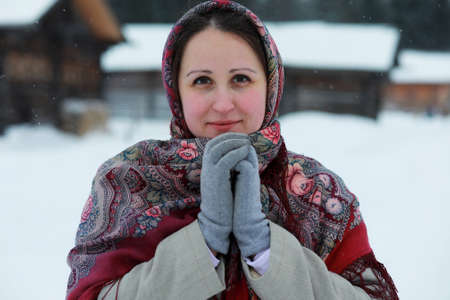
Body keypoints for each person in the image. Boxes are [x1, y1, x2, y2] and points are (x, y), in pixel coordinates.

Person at [66, 1, 398, 299]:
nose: (223, 104)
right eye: (202, 81)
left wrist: (268, 251)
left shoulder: (320, 193)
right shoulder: (129, 182)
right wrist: (203, 245)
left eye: (240, 78)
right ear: (176, 91)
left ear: (269, 84)